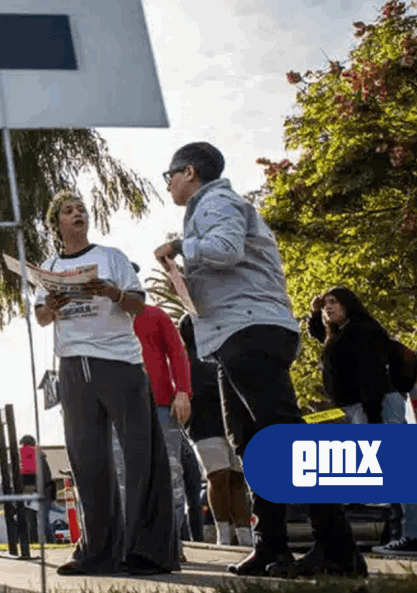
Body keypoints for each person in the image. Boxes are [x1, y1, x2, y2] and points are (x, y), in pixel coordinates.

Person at [154, 142, 364, 578]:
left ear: (189, 172)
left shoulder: (217, 202)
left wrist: (179, 246)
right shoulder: (207, 209)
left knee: (282, 435)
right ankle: (272, 546)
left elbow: (227, 248)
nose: (169, 183)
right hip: (234, 334)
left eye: (169, 174)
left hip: (251, 330)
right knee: (250, 443)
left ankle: (338, 548)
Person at [35, 191, 178, 577]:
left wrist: (112, 292)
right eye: (68, 210)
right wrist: (54, 305)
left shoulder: (111, 256)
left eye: (81, 210)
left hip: (119, 363)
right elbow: (41, 318)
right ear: (57, 224)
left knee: (139, 454)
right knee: (87, 458)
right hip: (72, 366)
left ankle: (149, 553)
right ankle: (98, 552)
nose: (77, 213)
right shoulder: (48, 266)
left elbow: (137, 304)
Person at [309, 287, 417, 556]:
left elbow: (371, 374)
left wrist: (373, 417)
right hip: (361, 408)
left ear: (349, 305)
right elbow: (320, 335)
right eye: (326, 303)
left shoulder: (363, 330)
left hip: (376, 405)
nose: (329, 308)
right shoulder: (341, 333)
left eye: (334, 303)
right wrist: (314, 312)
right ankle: (407, 534)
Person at [178, 314, 253, 547]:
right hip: (203, 425)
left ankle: (245, 535)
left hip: (231, 422)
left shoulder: (219, 352)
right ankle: (223, 535)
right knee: (218, 476)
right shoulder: (185, 359)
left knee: (238, 479)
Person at [132, 298, 192, 560]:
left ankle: (172, 543)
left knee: (171, 474)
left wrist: (183, 391)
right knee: (126, 477)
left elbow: (177, 351)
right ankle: (133, 545)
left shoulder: (155, 315)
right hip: (122, 409)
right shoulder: (105, 322)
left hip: (161, 405)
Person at [18, 435, 57, 544]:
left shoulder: (27, 458)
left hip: (33, 492)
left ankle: (34, 543)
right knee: (44, 522)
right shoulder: (41, 457)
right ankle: (50, 542)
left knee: (32, 521)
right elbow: (47, 476)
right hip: (44, 493)